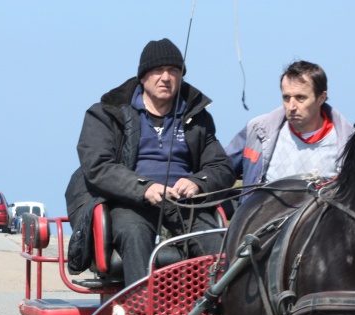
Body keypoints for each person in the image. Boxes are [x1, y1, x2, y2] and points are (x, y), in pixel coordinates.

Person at [65, 38, 235, 285]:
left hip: (182, 203)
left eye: (174, 71)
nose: (166, 77)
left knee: (213, 243)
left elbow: (222, 167)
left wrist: (197, 183)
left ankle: (212, 313)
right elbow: (98, 166)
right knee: (134, 234)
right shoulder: (106, 113)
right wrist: (144, 188)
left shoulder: (197, 117)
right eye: (157, 71)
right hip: (127, 202)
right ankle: (141, 312)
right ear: (143, 77)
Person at [225, 60, 355, 189]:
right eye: (286, 98)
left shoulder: (349, 143)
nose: (292, 106)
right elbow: (220, 170)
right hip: (261, 209)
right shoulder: (257, 131)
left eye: (300, 98)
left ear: (321, 98)